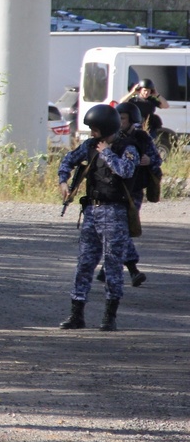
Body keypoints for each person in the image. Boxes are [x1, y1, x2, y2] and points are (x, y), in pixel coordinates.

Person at [57, 104, 137, 332]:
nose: (92, 133)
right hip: (92, 211)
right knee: (84, 264)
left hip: (114, 213)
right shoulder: (90, 146)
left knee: (112, 265)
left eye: (94, 129)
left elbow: (126, 171)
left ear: (105, 128)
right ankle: (76, 315)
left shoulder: (126, 148)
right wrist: (64, 181)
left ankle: (109, 317)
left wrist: (107, 154)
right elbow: (68, 161)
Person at [93, 101, 159, 287]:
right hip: (113, 191)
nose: (120, 122)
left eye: (123, 119)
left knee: (123, 228)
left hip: (133, 191)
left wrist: (148, 160)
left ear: (132, 120)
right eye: (118, 118)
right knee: (118, 229)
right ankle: (128, 269)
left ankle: (125, 268)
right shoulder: (112, 137)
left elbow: (156, 159)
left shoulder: (141, 138)